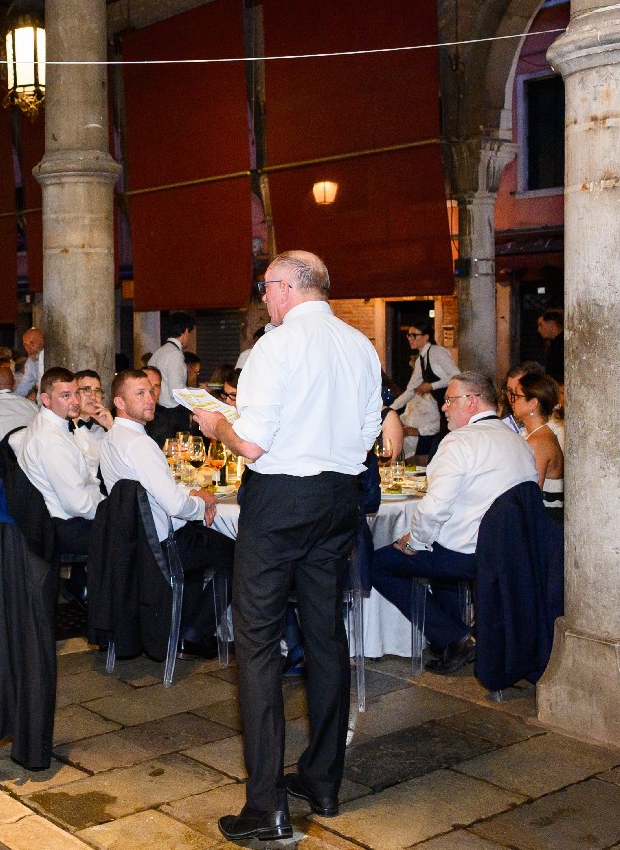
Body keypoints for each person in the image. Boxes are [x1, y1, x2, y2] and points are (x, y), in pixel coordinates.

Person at [190, 250, 381, 843]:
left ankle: (267, 807)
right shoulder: (361, 346)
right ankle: (323, 779)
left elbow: (249, 443)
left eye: (266, 286)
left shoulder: (276, 346)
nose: (263, 297)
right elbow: (371, 429)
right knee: (325, 633)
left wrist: (214, 422)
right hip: (339, 500)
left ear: (290, 287)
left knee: (256, 643)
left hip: (280, 503)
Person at [369, 372, 536, 672]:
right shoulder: (518, 441)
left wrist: (413, 541)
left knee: (376, 564)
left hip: (469, 555)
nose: (443, 408)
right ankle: (452, 639)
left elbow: (433, 510)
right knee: (437, 552)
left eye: (448, 401)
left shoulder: (459, 443)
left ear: (471, 402)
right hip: (511, 554)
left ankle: (456, 637)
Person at [102, 368, 233, 659]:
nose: (150, 399)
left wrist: (194, 495)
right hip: (163, 547)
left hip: (135, 544)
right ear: (119, 403)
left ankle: (184, 626)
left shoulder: (112, 439)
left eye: (151, 391)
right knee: (240, 555)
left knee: (208, 545)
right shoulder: (140, 445)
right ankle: (194, 632)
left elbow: (156, 493)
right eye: (140, 393)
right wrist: (203, 504)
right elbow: (174, 507)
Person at [15, 368, 103, 566]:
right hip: (67, 527)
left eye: (76, 393)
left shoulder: (51, 426)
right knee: (137, 531)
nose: (75, 401)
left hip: (63, 520)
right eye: (66, 396)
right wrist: (110, 509)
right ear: (46, 399)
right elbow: (78, 505)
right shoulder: (51, 441)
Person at [510, 372, 564, 512]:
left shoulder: (539, 441)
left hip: (546, 517)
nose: (512, 400)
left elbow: (531, 492)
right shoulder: (539, 435)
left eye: (516, 396)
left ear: (533, 403)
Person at [390, 324, 459, 422]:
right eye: (408, 335)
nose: (410, 338)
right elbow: (411, 390)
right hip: (439, 405)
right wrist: (390, 409)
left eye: (413, 335)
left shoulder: (437, 351)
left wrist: (432, 386)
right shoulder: (420, 360)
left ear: (426, 337)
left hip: (450, 402)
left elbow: (456, 375)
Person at [146, 312, 196, 409]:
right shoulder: (175, 354)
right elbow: (176, 391)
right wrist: (199, 392)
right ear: (185, 332)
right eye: (189, 333)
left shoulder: (158, 352)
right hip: (172, 413)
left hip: (158, 409)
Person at [72, 369, 113, 478]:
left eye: (97, 391)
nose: (93, 396)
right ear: (74, 393)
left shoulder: (104, 433)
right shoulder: (62, 429)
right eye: (86, 390)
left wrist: (111, 427)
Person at [13, 327, 46, 398]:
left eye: (32, 343)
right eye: (25, 345)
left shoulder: (50, 357)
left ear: (41, 342)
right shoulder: (30, 361)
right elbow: (25, 384)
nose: (29, 347)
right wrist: (11, 398)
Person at [536, 310, 565, 385]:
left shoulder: (563, 343)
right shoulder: (554, 343)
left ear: (551, 324)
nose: (538, 330)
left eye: (540, 325)